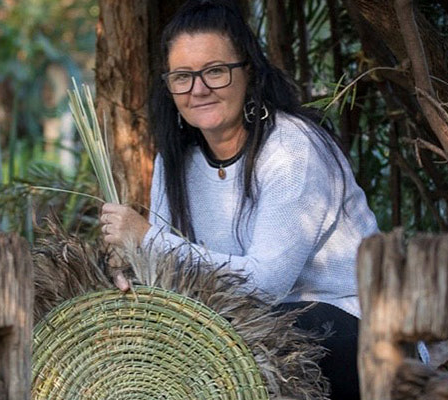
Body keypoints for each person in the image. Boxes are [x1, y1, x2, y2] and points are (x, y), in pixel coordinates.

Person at [99, 1, 379, 398]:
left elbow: (267, 285)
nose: (198, 89)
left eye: (215, 71)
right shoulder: (174, 161)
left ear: (249, 71)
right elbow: (171, 276)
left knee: (259, 338)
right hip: (245, 329)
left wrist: (149, 241)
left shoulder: (291, 148)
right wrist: (135, 272)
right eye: (183, 77)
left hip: (351, 330)